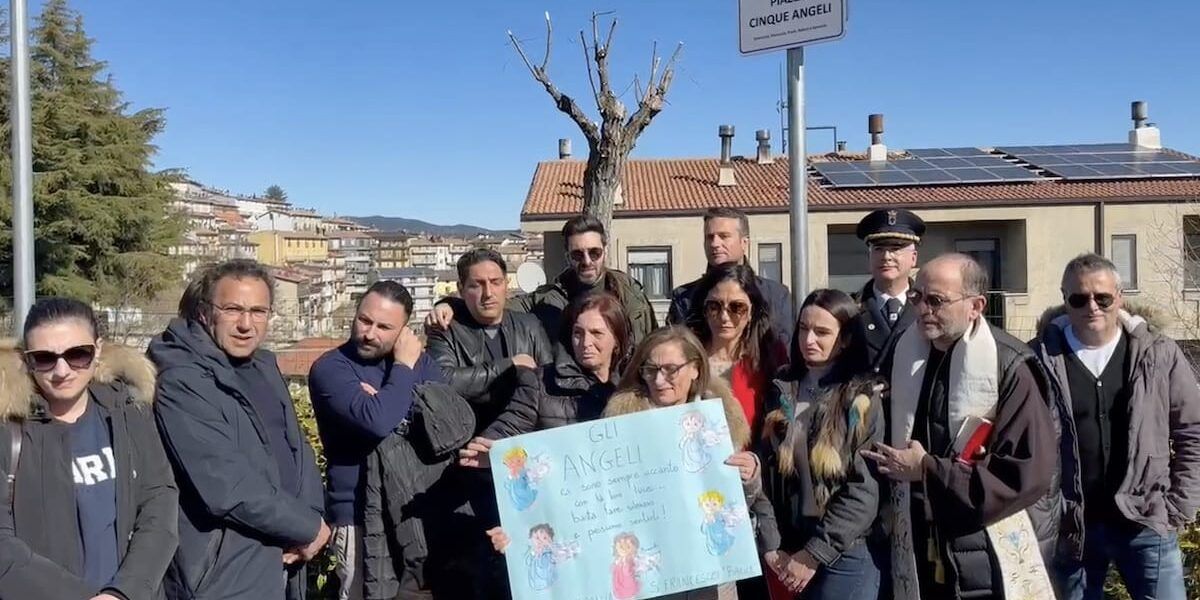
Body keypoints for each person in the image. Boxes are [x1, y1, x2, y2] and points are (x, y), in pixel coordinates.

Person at [862, 253, 1057, 600]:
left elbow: (1024, 475)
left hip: (984, 548)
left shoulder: (1010, 366)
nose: (923, 309)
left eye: (936, 300)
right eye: (917, 297)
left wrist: (927, 470)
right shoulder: (905, 352)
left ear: (976, 306)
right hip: (918, 538)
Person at [149, 259, 329, 600]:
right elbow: (225, 485)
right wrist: (308, 527)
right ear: (204, 312)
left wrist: (312, 519)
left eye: (258, 311)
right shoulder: (181, 378)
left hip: (282, 554)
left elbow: (296, 448)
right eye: (233, 309)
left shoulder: (263, 365)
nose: (247, 324)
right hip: (223, 568)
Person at [1032, 253, 1200, 600]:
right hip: (1072, 529)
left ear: (1119, 297)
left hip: (1147, 522)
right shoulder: (1039, 359)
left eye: (1102, 297)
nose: (1091, 306)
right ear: (1065, 299)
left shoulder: (1158, 353)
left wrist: (1178, 506)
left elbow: (1192, 431)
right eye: (1079, 298)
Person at [0, 297, 178, 600]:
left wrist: (125, 591)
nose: (61, 370)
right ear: (27, 360)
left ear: (97, 350)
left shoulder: (128, 411)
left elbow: (158, 502)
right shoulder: (9, 429)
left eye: (77, 354)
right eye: (44, 358)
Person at [308, 280, 444, 600]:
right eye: (364, 320)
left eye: (384, 327)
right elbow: (378, 421)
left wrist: (390, 399)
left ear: (403, 331)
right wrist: (402, 371)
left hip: (413, 512)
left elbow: (445, 420)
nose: (370, 333)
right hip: (356, 516)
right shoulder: (331, 368)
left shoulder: (417, 360)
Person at [759, 289, 882, 600]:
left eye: (822, 332)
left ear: (844, 339)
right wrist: (772, 544)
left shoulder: (862, 397)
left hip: (845, 553)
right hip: (789, 547)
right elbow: (765, 476)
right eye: (803, 328)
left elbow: (863, 489)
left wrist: (815, 554)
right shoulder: (781, 388)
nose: (808, 340)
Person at [427, 215, 658, 348]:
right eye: (578, 255)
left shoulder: (632, 293)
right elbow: (493, 305)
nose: (587, 261)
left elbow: (652, 342)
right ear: (567, 256)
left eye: (594, 252)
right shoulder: (547, 299)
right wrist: (451, 304)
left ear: (604, 251)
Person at [425, 248, 553, 432]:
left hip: (525, 441)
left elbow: (550, 387)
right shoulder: (445, 330)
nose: (488, 293)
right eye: (477, 285)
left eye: (495, 282)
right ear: (461, 289)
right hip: (468, 443)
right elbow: (441, 381)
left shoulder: (529, 326)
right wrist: (509, 367)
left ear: (506, 284)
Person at [668, 207, 794, 350]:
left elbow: (786, 351)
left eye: (724, 236)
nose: (715, 244)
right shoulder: (684, 298)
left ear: (744, 243)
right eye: (710, 237)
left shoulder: (775, 295)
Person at [687, 264, 786, 441]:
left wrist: (757, 461)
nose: (724, 317)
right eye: (714, 306)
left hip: (751, 463)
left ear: (751, 312)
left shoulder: (770, 355)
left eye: (737, 307)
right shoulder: (685, 354)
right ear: (703, 309)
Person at [852, 208, 924, 373]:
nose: (886, 257)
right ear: (869, 257)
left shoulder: (928, 307)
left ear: (913, 258)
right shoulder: (849, 310)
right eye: (879, 249)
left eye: (896, 248)